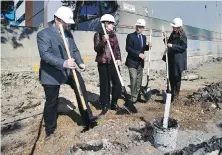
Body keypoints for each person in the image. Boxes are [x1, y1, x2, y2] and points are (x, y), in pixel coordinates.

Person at [37, 6, 96, 137]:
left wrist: (80, 62)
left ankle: (88, 119)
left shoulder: (68, 33)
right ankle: (50, 130)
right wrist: (63, 63)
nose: (68, 25)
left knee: (81, 89)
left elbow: (74, 49)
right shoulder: (43, 34)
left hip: (69, 71)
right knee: (52, 102)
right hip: (51, 74)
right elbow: (45, 55)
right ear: (57, 20)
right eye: (66, 23)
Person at [93, 14, 122, 115]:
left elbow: (117, 49)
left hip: (113, 63)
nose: (113, 26)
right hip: (103, 62)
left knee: (117, 83)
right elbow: (97, 48)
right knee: (105, 84)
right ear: (105, 24)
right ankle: (105, 104)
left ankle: (114, 102)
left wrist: (119, 59)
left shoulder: (114, 35)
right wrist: (103, 41)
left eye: (113, 24)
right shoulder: (98, 34)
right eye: (111, 24)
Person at [125, 19, 151, 104]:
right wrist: (138, 54)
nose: (138, 28)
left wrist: (148, 46)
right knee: (134, 79)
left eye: (140, 27)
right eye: (137, 26)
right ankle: (133, 98)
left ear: (143, 28)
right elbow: (128, 48)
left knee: (139, 80)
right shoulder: (130, 36)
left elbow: (142, 48)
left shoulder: (144, 37)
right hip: (132, 62)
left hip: (140, 63)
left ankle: (137, 96)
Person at [162, 17, 187, 102]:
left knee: (177, 78)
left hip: (178, 61)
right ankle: (172, 95)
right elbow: (168, 43)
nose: (173, 28)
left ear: (178, 27)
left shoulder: (182, 35)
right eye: (173, 26)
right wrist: (165, 39)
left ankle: (176, 95)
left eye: (174, 26)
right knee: (171, 77)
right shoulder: (173, 33)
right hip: (171, 59)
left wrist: (172, 46)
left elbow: (183, 47)